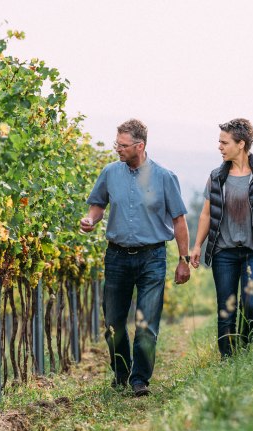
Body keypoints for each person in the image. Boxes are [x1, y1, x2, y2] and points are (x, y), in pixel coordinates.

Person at [80, 119, 191, 397]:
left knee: (146, 324)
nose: (117, 149)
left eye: (123, 145)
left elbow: (179, 221)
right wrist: (91, 219)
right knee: (113, 322)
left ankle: (140, 379)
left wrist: (183, 260)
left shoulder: (164, 177)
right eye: (116, 143)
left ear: (139, 146)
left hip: (152, 257)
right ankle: (121, 373)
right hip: (116, 257)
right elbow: (97, 205)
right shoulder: (109, 173)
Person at [190, 118, 253, 358]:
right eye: (220, 142)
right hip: (223, 251)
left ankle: (244, 350)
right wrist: (197, 246)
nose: (220, 147)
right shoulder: (216, 177)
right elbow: (206, 214)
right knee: (226, 307)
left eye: (224, 142)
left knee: (250, 304)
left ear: (241, 144)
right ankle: (227, 357)